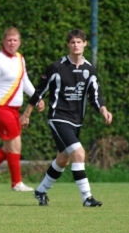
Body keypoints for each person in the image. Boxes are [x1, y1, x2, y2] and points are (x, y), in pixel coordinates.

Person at [20, 29, 113, 207]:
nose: (76, 45)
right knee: (79, 153)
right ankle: (87, 198)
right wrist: (26, 114)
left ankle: (41, 190)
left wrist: (103, 110)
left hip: (76, 121)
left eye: (79, 42)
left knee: (63, 159)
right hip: (58, 117)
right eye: (72, 42)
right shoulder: (57, 67)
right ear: (68, 45)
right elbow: (40, 91)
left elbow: (95, 95)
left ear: (85, 43)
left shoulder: (89, 70)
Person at [0, 27, 44, 192]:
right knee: (15, 144)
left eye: (15, 40)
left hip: (14, 109)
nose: (12, 43)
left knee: (9, 147)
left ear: (19, 42)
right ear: (3, 41)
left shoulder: (20, 58)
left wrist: (37, 97)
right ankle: (16, 183)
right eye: (9, 40)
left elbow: (24, 81)